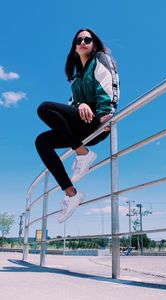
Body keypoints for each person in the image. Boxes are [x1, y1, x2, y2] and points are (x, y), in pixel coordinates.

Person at [35, 28, 120, 223]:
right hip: (80, 128)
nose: (82, 42)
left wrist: (105, 115)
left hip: (97, 123)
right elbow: (72, 107)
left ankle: (83, 153)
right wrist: (80, 104)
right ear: (74, 48)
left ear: (94, 43)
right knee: (42, 142)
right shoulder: (77, 79)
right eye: (78, 40)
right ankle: (72, 194)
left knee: (44, 108)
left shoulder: (100, 58)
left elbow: (109, 85)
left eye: (87, 39)